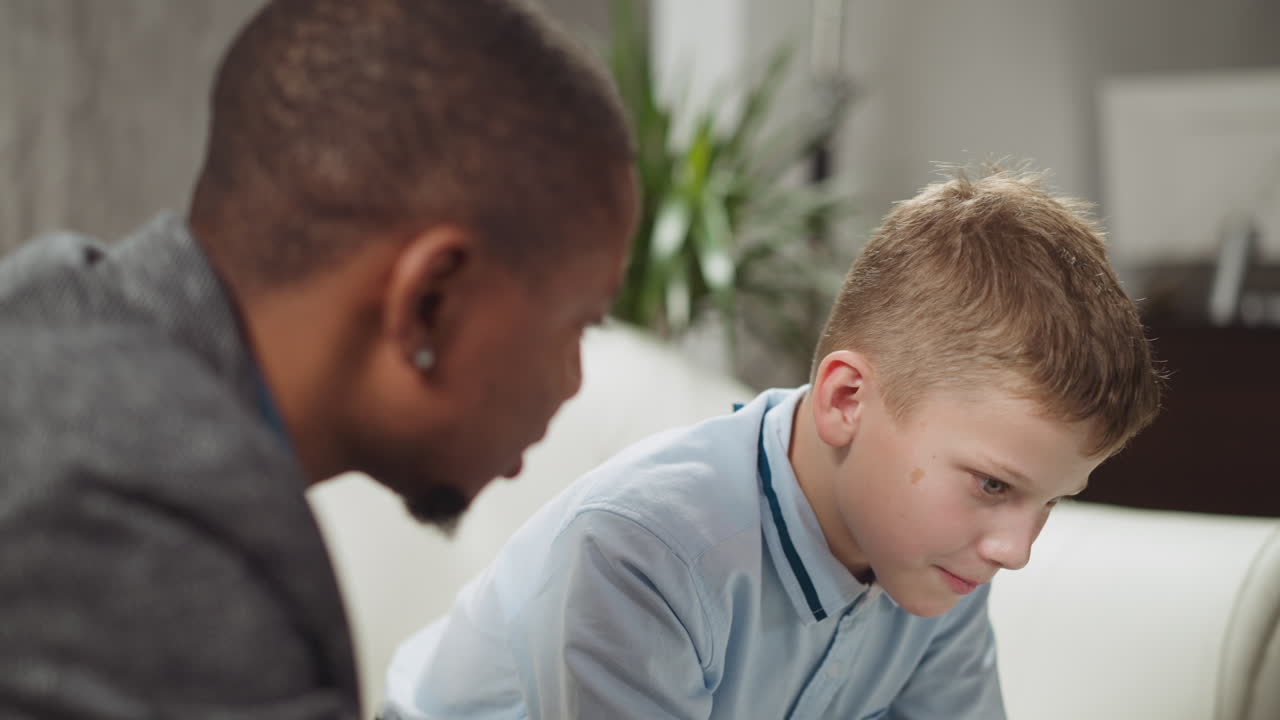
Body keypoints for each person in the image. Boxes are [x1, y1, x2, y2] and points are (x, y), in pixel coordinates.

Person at [0, 0, 636, 717]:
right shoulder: (154, 526)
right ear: (430, 300)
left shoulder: (56, 307)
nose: (574, 381)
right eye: (579, 325)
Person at [382, 169, 1164, 719]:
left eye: (1049, 503)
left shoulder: (939, 564)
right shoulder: (640, 554)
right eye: (995, 486)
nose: (1017, 549)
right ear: (846, 400)